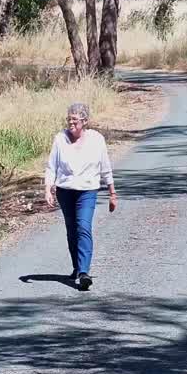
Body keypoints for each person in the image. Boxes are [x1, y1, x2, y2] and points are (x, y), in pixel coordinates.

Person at [43, 102, 117, 290]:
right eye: (69, 119)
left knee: (83, 226)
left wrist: (112, 193)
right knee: (71, 229)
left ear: (84, 121)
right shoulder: (60, 138)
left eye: (74, 119)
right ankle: (77, 266)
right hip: (65, 191)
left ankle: (84, 272)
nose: (71, 122)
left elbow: (105, 167)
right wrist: (48, 188)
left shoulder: (96, 139)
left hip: (87, 191)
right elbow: (52, 166)